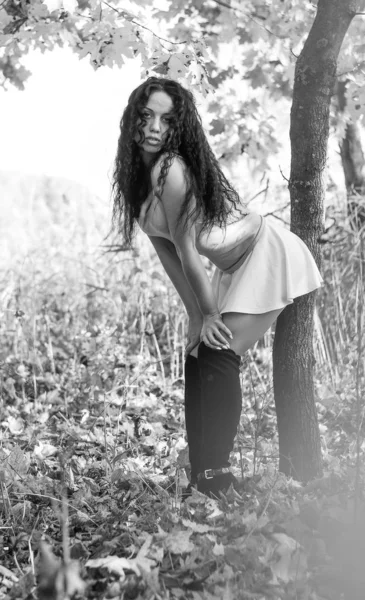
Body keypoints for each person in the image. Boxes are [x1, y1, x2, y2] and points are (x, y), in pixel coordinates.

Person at [112, 77, 323, 498]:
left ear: (179, 128)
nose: (154, 127)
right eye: (146, 115)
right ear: (133, 118)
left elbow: (189, 250)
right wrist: (194, 315)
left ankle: (217, 476)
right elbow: (167, 253)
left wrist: (209, 315)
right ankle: (203, 472)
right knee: (197, 353)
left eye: (167, 120)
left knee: (218, 351)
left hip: (267, 254)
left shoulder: (171, 169)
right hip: (230, 268)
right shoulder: (135, 180)